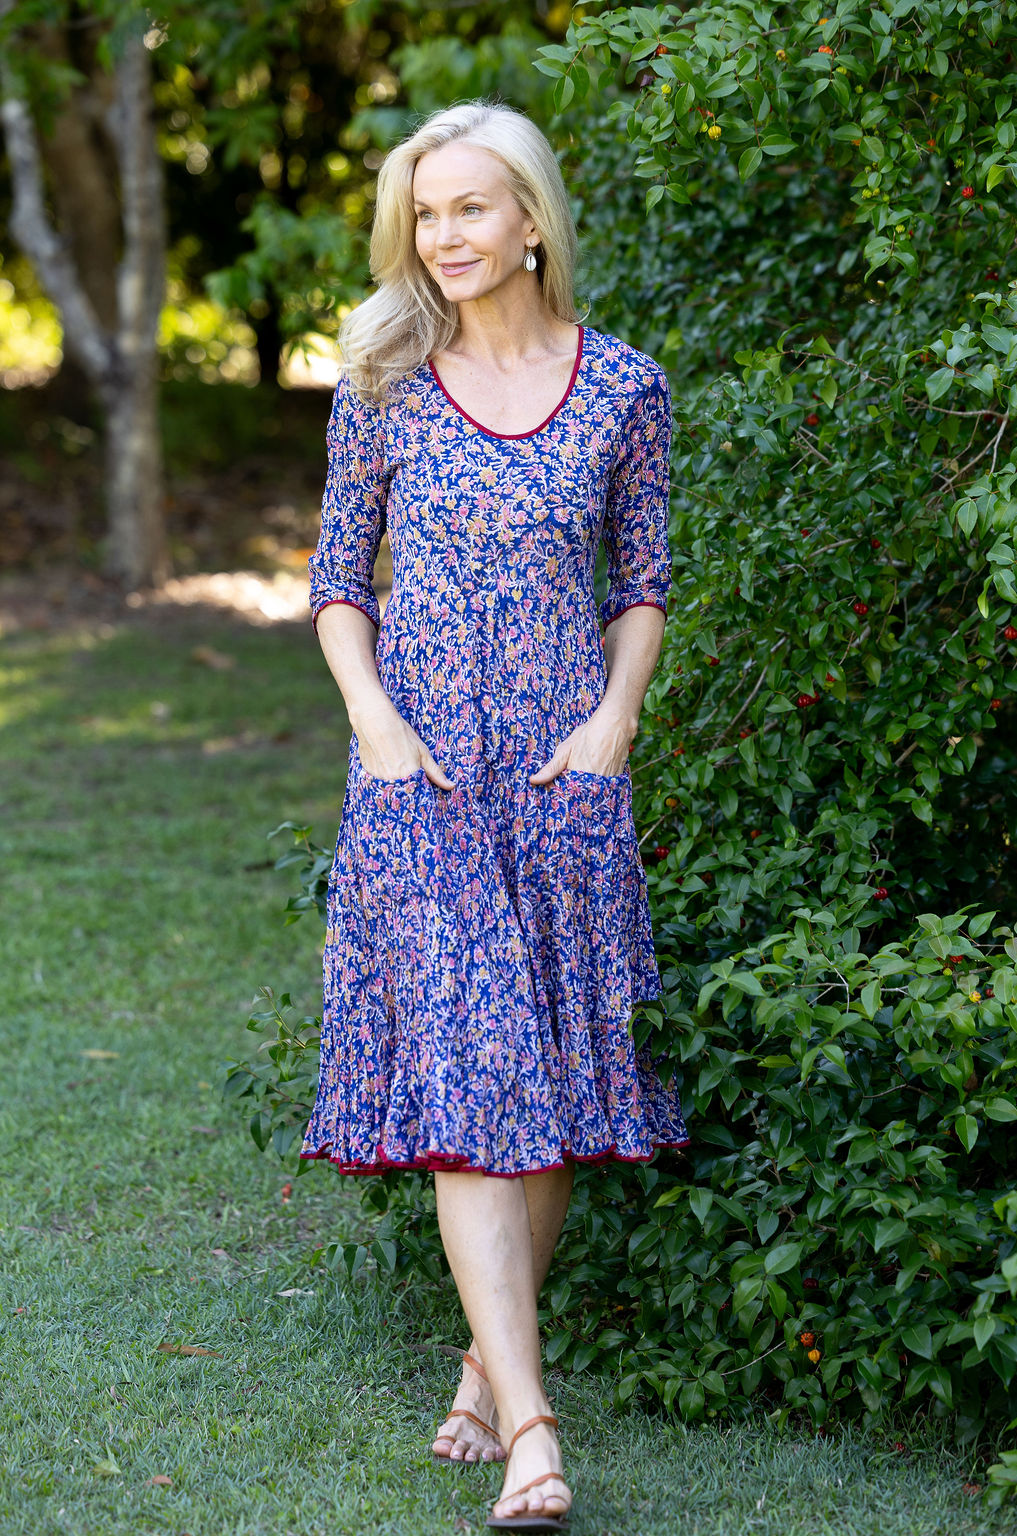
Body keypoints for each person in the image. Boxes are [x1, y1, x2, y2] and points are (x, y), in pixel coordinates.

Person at [298, 97, 689, 1533]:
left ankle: (480, 1358)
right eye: (424, 212)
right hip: (421, 780)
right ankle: (534, 1428)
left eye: (470, 208)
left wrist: (610, 729)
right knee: (472, 1094)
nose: (442, 236)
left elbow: (639, 581)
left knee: (551, 1091)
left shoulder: (624, 390)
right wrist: (381, 736)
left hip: (560, 773)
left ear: (531, 220)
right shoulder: (384, 385)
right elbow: (338, 583)